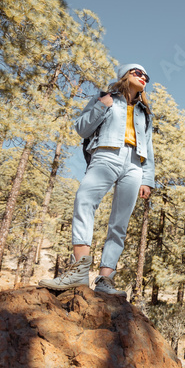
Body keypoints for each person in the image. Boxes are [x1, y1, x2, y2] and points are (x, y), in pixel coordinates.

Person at [39, 64, 154, 296]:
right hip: (105, 154)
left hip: (134, 165)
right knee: (84, 199)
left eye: (146, 76)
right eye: (137, 72)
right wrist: (102, 107)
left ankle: (105, 279)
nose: (143, 77)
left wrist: (147, 179)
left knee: (119, 223)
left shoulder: (144, 112)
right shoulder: (104, 97)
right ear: (124, 75)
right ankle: (80, 270)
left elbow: (149, 148)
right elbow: (81, 129)